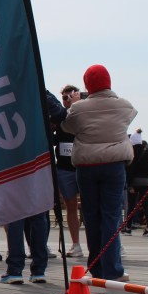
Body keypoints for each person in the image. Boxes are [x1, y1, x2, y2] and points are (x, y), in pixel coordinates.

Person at [62, 64, 137, 282]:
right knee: (111, 216)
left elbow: (67, 127)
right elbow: (130, 117)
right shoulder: (125, 106)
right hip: (114, 165)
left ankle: (96, 267)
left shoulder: (78, 109)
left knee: (91, 216)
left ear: (87, 85)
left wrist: (75, 104)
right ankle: (113, 269)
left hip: (86, 166)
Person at [0, 91, 65, 284]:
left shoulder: (7, 89)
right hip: (40, 154)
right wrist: (49, 122)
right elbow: (60, 113)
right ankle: (39, 269)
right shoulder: (39, 91)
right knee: (38, 213)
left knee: (15, 214)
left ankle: (15, 269)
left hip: (14, 153)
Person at [55, 84, 86, 258]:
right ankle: (76, 244)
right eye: (64, 98)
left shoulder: (84, 113)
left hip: (82, 165)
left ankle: (102, 243)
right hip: (65, 167)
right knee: (70, 206)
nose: (66, 100)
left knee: (91, 205)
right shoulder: (59, 115)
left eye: (69, 97)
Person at [126, 131, 148, 237]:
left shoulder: (131, 152)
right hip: (146, 182)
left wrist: (129, 184)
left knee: (131, 206)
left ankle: (128, 228)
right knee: (146, 205)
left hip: (134, 182)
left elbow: (128, 170)